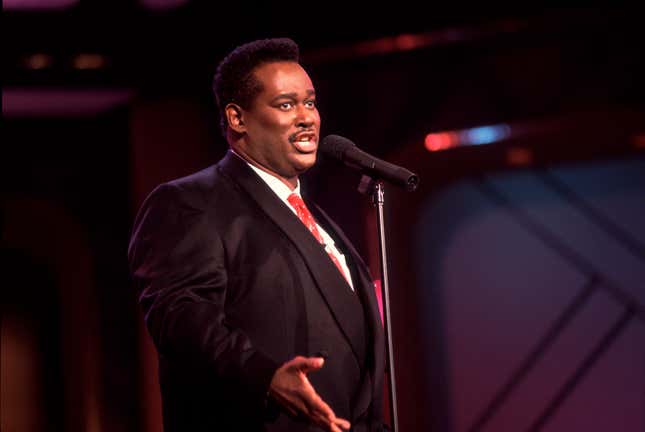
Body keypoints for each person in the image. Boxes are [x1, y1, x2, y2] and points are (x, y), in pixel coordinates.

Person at [128, 38, 386, 432]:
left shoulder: (314, 218)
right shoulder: (190, 202)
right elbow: (182, 315)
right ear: (237, 118)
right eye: (286, 105)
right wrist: (264, 376)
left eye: (310, 103)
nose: (307, 117)